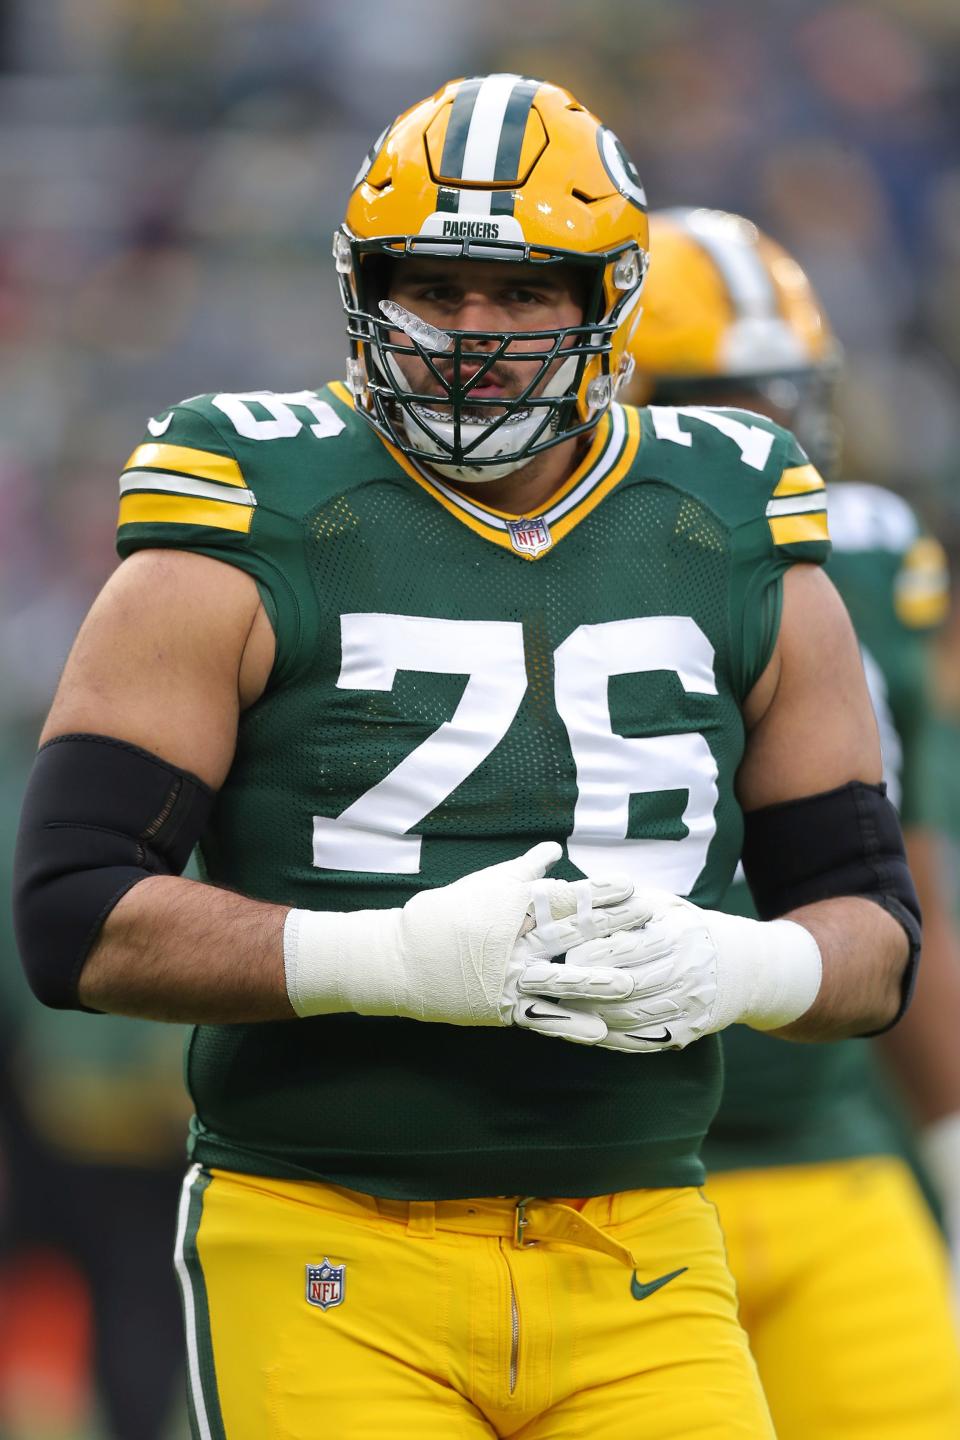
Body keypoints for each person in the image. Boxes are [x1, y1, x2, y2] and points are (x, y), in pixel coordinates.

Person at [12, 77, 920, 1440]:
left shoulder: (727, 514)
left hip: (645, 1239)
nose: (472, 334)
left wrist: (744, 964)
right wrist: (389, 961)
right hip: (324, 1233)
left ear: (606, 298)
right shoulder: (253, 500)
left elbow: (875, 931)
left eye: (524, 291)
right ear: (363, 287)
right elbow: (71, 914)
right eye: (432, 286)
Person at [626, 204, 960, 1438]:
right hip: (602, 1170)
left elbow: (906, 891)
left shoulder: (861, 561)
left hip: (824, 1138)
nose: (762, 445)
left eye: (782, 402)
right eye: (720, 403)